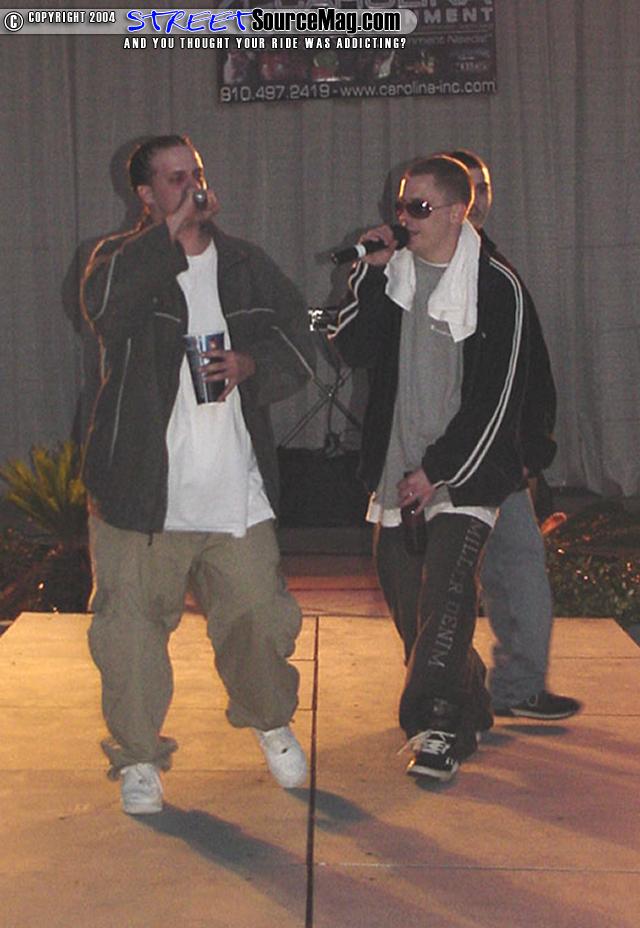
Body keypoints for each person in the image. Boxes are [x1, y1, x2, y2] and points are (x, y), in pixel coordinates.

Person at [81, 134, 315, 814]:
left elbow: (300, 342)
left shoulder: (245, 264)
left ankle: (270, 722)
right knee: (129, 634)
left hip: (234, 490)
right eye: (175, 179)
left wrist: (251, 366)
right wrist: (168, 235)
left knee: (261, 619)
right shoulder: (120, 261)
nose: (193, 187)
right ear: (145, 195)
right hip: (141, 494)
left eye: (198, 174)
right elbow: (104, 309)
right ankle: (138, 758)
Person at [329, 154, 531, 782]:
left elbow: (499, 397)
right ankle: (468, 692)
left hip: (465, 475)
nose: (404, 218)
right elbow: (350, 347)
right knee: (411, 606)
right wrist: (368, 274)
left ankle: (437, 727)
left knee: (445, 597)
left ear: (456, 211)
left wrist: (439, 470)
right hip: (398, 467)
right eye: (400, 205)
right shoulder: (395, 276)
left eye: (418, 207)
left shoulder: (496, 285)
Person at [449, 149, 581, 721]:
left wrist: (531, 448)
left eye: (484, 186)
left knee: (518, 569)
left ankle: (519, 687)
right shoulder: (426, 272)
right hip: (449, 457)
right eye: (467, 187)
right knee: (446, 586)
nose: (478, 198)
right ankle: (450, 692)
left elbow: (530, 369)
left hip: (501, 456)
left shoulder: (498, 270)